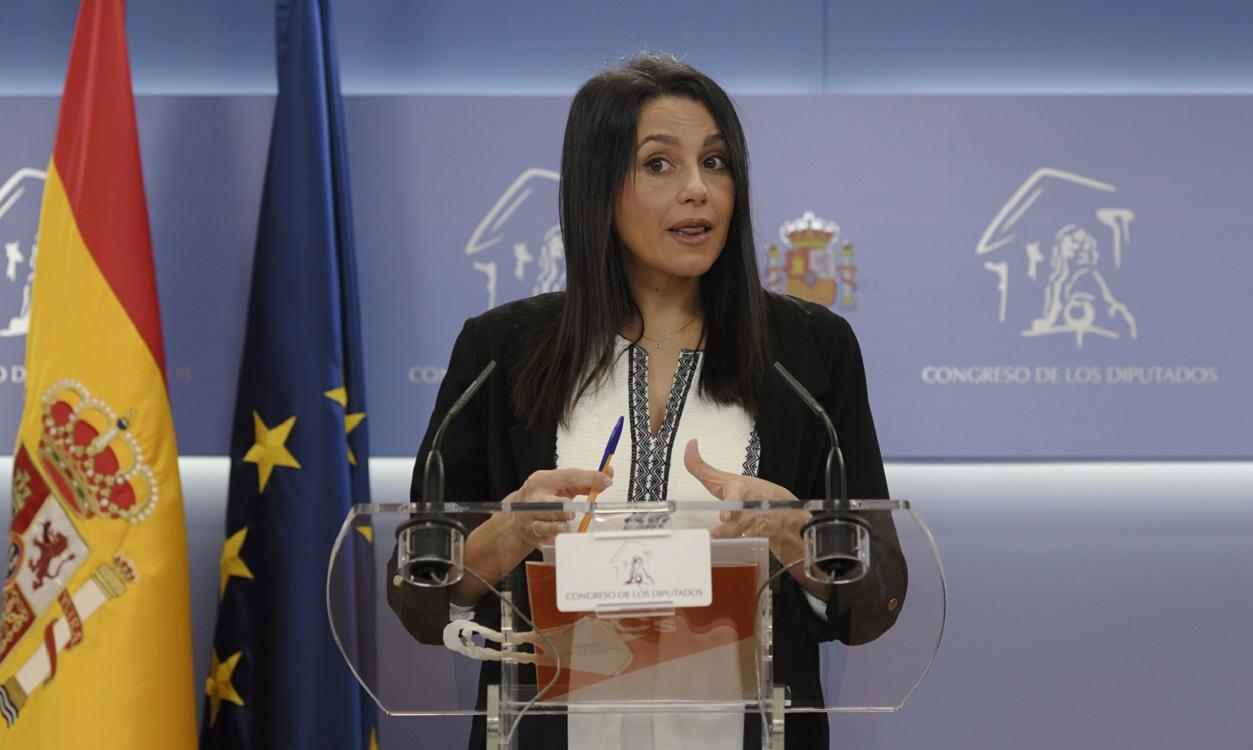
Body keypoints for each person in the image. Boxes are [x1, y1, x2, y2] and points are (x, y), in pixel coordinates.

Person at [389, 55, 906, 749]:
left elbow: (876, 602)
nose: (698, 190)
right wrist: (504, 536)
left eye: (716, 163)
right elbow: (416, 598)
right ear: (597, 188)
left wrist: (795, 535)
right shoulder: (500, 351)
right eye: (659, 165)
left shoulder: (809, 352)